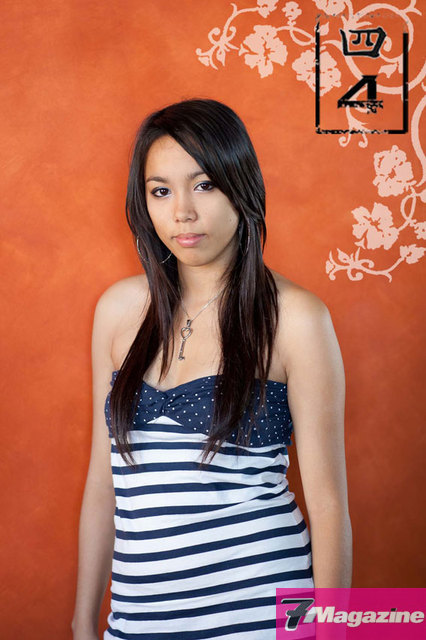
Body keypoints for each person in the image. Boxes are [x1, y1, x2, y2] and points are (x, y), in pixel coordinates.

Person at [71, 98, 352, 640]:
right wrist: (84, 621)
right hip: (138, 620)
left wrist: (332, 633)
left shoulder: (297, 318)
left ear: (239, 186)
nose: (182, 212)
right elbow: (102, 483)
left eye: (204, 185)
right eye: (161, 191)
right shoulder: (117, 312)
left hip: (262, 616)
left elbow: (329, 503)